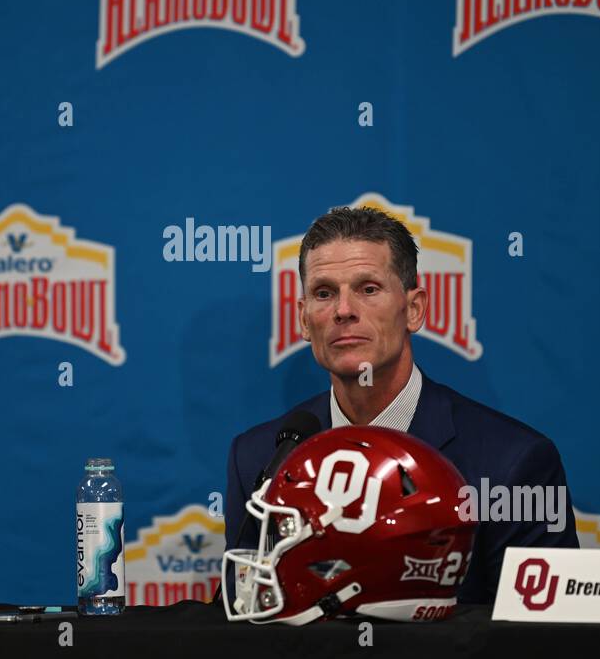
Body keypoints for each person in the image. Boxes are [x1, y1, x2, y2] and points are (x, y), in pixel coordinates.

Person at [225, 205, 579, 604]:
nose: (344, 310)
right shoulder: (258, 458)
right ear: (305, 320)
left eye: (368, 289)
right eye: (324, 293)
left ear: (414, 309)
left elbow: (540, 646)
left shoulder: (514, 463)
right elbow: (249, 623)